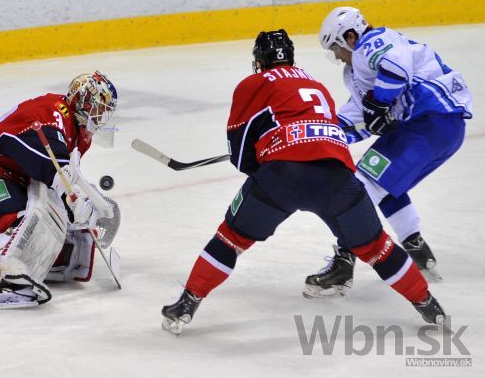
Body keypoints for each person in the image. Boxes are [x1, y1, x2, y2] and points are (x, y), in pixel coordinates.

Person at [160, 29, 445, 335]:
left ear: (260, 60)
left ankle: (187, 303)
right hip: (337, 177)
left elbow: (241, 152)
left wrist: (262, 167)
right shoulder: (317, 85)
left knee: (230, 239)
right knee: (377, 248)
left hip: (281, 176)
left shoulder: (253, 83)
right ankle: (428, 304)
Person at [304, 7, 473, 298]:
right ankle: (416, 247)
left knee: (360, 186)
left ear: (351, 36)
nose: (337, 55)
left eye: (336, 47)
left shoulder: (374, 42)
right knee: (386, 187)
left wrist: (381, 104)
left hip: (427, 124)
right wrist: (321, 136)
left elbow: (395, 69)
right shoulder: (358, 69)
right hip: (438, 131)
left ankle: (344, 263)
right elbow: (361, 117)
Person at [0, 71, 119, 308]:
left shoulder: (79, 133)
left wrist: (80, 202)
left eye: (105, 111)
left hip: (9, 177)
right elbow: (53, 169)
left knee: (48, 213)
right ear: (84, 101)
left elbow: (66, 177)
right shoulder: (52, 112)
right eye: (99, 108)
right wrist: (77, 202)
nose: (101, 116)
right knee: (24, 220)